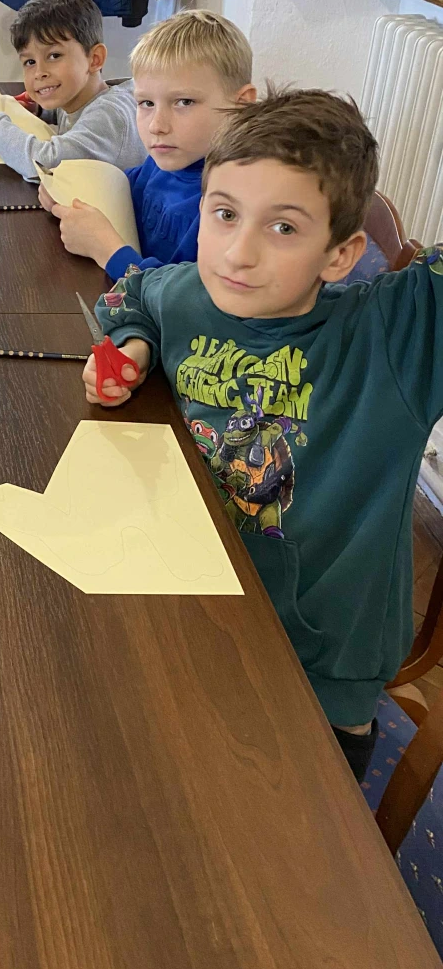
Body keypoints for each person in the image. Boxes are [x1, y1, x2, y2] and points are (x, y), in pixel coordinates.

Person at [83, 88, 438, 782]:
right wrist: (132, 347)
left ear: (341, 254)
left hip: (318, 670)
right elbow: (134, 296)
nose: (238, 254)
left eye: (283, 227)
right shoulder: (187, 291)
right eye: (224, 214)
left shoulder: (394, 335)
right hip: (193, 606)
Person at [44, 9, 255, 276]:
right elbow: (116, 189)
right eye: (146, 103)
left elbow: (181, 297)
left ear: (240, 105)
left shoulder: (235, 206)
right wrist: (67, 195)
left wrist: (107, 251)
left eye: (184, 102)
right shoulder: (158, 164)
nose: (157, 126)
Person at [0, 0, 145, 177]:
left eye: (54, 56)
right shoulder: (79, 99)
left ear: (95, 59)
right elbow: (77, 121)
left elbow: (47, 164)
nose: (39, 73)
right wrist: (41, 111)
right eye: (30, 62)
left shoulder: (110, 115)